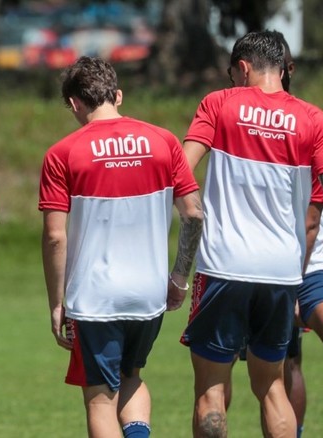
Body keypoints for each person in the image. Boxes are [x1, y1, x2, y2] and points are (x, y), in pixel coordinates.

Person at [180, 31, 323, 437]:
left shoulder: (219, 104)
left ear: (242, 68)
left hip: (223, 266)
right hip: (281, 272)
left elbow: (181, 171)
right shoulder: (316, 120)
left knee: (211, 391)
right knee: (272, 386)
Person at [39, 56, 203, 437]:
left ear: (74, 103)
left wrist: (56, 303)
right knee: (131, 375)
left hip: (95, 297)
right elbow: (194, 214)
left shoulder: (62, 153)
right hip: (149, 294)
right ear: (118, 96)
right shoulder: (164, 141)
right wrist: (179, 277)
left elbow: (54, 236)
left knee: (100, 400)